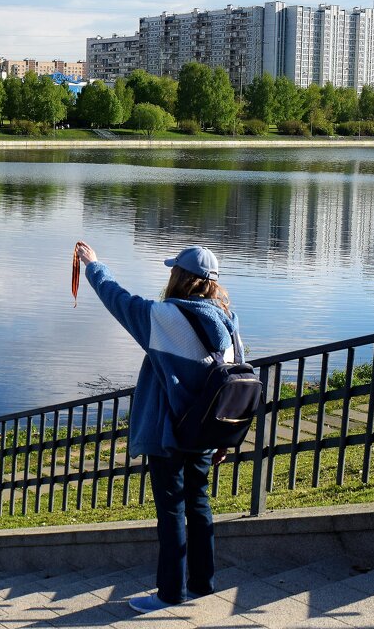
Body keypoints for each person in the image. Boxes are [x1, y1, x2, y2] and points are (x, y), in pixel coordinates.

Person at [74, 242, 242, 614]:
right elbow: (234, 381)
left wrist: (94, 266)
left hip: (170, 434)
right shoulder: (227, 319)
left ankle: (170, 593)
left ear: (179, 278)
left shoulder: (166, 317)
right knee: (199, 504)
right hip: (204, 432)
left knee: (171, 512)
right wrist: (225, 436)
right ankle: (202, 583)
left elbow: (120, 301)